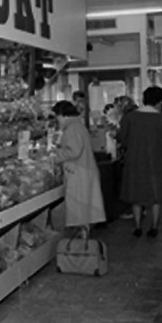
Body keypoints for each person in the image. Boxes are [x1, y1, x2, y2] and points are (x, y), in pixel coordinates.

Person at [117, 86, 162, 238]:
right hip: (155, 161)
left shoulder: (129, 118)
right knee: (156, 195)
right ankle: (154, 227)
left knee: (136, 195)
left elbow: (122, 139)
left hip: (134, 161)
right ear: (158, 102)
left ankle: (137, 226)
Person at [52, 100, 106, 236]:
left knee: (80, 210)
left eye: (57, 116)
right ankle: (84, 237)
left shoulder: (72, 128)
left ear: (62, 115)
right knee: (85, 210)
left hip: (79, 173)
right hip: (83, 171)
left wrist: (55, 155)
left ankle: (83, 241)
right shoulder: (77, 125)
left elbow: (74, 151)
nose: (57, 120)